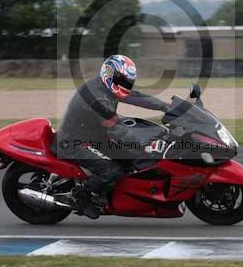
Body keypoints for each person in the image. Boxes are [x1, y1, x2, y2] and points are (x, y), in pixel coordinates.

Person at [57, 54, 170, 219]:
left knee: (129, 159)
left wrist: (167, 106)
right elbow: (115, 128)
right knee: (113, 170)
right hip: (74, 141)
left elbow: (137, 97)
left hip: (94, 135)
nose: (126, 85)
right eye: (123, 81)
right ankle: (81, 195)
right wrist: (146, 142)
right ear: (109, 75)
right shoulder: (97, 97)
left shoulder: (108, 87)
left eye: (128, 82)